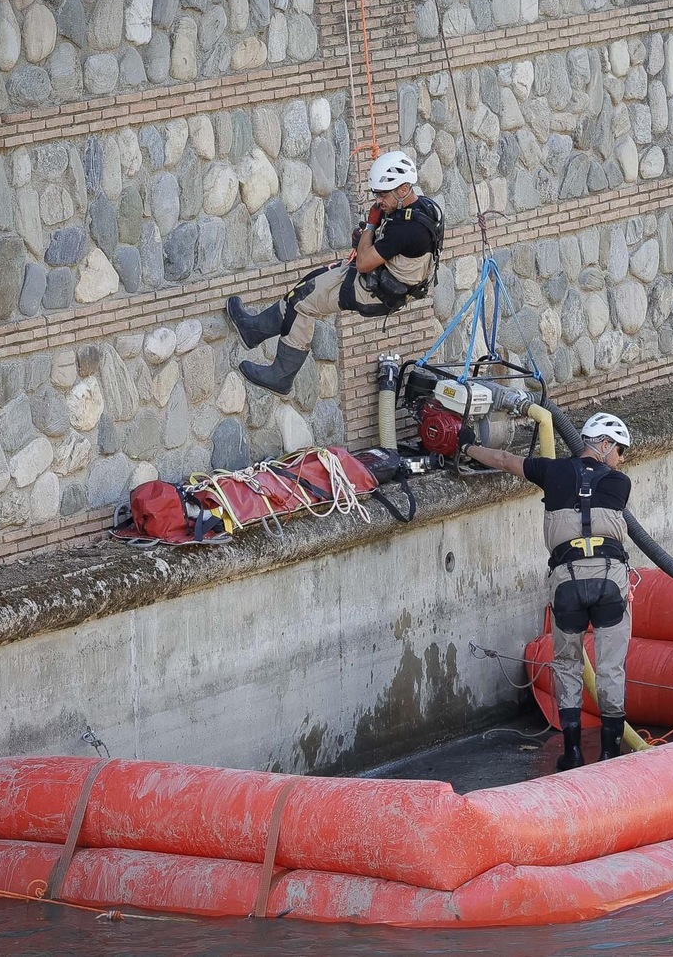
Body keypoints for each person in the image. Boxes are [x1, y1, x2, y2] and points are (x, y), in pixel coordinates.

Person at [462, 412, 634, 770]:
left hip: (567, 581)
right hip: (609, 581)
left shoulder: (551, 471)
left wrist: (466, 445)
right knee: (610, 667)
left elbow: (503, 460)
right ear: (603, 445)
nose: (621, 458)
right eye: (619, 449)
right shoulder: (620, 483)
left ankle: (571, 752)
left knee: (567, 663)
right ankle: (609, 757)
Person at [226, 150, 445, 394]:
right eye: (376, 194)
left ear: (403, 189)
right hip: (382, 279)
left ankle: (281, 376)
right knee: (309, 283)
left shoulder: (408, 229)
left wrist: (370, 227)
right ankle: (253, 330)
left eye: (382, 195)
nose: (378, 201)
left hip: (374, 291)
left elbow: (363, 262)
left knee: (303, 304)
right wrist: (372, 230)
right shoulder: (421, 208)